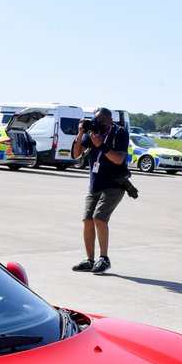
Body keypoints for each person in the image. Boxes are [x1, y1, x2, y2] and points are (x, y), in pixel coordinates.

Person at [70, 107, 130, 274]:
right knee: (87, 220)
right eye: (98, 121)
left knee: (99, 217)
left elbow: (118, 159)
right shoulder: (92, 133)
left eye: (103, 121)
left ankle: (104, 258)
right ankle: (90, 260)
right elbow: (76, 155)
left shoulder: (120, 133)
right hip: (94, 185)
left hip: (114, 185)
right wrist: (81, 133)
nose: (100, 124)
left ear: (111, 120)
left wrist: (101, 145)